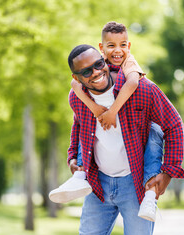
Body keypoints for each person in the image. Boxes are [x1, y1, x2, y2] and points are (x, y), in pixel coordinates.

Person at [62, 44, 184, 235]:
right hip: (98, 184)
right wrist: (72, 158)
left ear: (104, 60)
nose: (96, 72)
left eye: (98, 64)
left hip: (136, 184)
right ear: (76, 78)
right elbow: (78, 126)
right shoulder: (77, 98)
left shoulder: (142, 89)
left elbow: (174, 125)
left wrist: (168, 171)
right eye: (86, 71)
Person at [49, 22, 164, 222]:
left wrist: (112, 112)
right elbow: (74, 87)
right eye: (111, 46)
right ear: (102, 49)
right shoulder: (96, 63)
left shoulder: (129, 64)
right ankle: (80, 177)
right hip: (100, 179)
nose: (117, 51)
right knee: (86, 124)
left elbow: (133, 83)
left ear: (129, 46)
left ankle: (150, 193)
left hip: (133, 173)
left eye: (123, 45)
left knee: (155, 129)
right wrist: (93, 108)